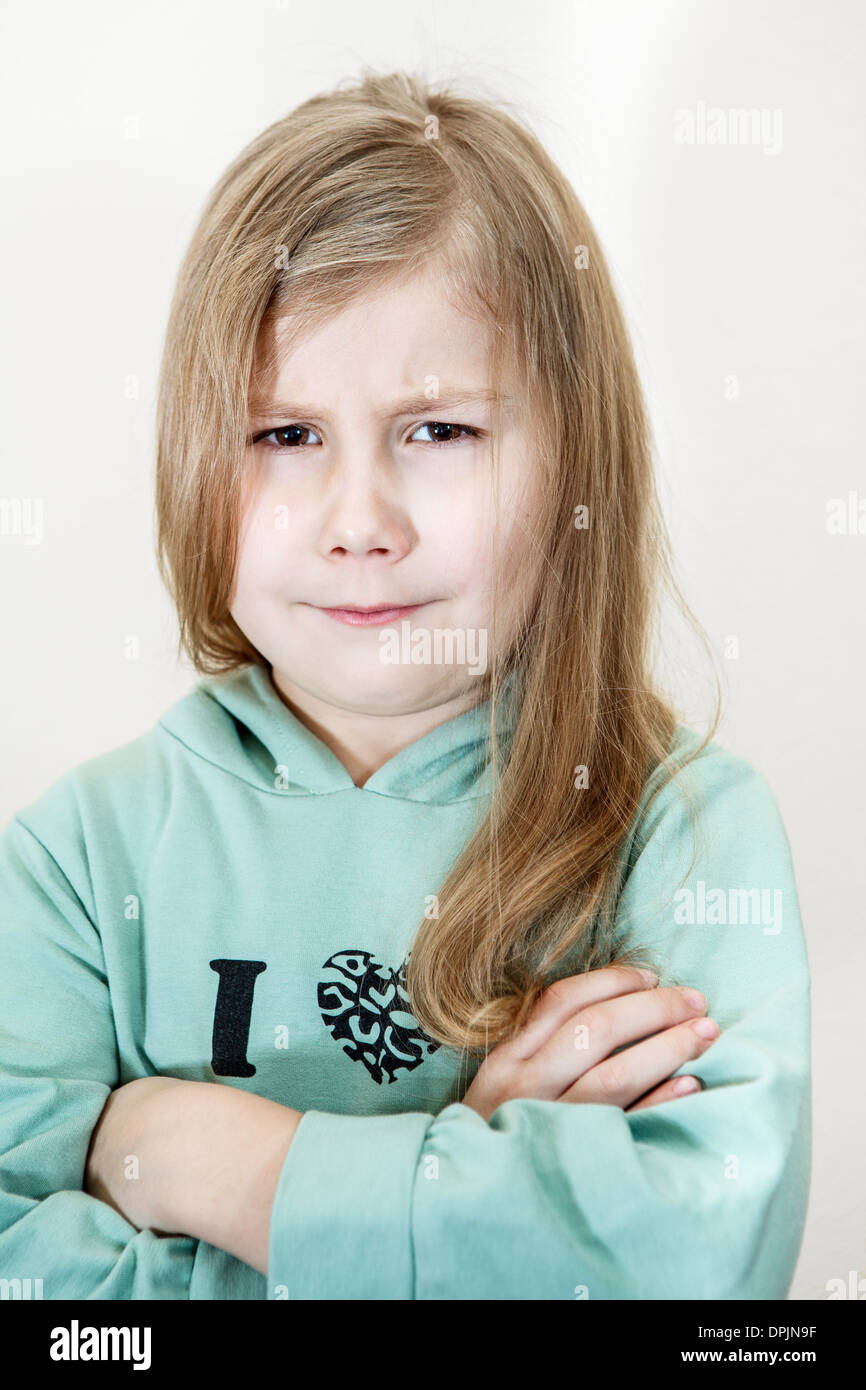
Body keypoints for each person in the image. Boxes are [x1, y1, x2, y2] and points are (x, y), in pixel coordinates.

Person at [0, 69, 810, 1300]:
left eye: (438, 431)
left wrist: (221, 1165)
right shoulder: (72, 863)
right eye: (284, 434)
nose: (358, 521)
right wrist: (461, 1177)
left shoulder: (681, 835)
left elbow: (695, 1278)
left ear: (571, 461)